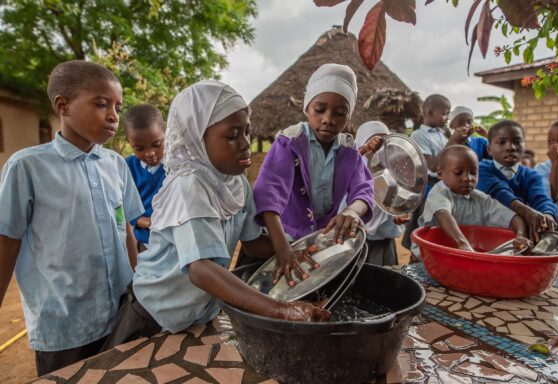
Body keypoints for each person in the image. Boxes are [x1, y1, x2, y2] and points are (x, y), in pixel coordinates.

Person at [100, 80, 330, 351]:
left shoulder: (235, 184)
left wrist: (294, 249)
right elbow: (201, 270)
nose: (245, 144)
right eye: (232, 135)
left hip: (198, 312)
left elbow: (253, 243)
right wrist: (281, 310)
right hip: (155, 314)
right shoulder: (189, 185)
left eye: (247, 131)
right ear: (197, 137)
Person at [0, 60, 144, 376]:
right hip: (63, 322)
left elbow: (127, 229)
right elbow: (7, 242)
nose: (113, 116)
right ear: (62, 106)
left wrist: (138, 285)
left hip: (120, 311)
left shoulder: (116, 165)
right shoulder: (27, 167)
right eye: (101, 104)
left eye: (118, 108)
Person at [253, 63, 374, 286]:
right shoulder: (289, 143)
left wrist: (352, 211)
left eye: (340, 113)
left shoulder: (350, 151)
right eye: (320, 110)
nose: (329, 119)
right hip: (280, 240)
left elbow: (364, 190)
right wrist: (283, 250)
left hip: (318, 243)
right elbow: (267, 197)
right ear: (307, 108)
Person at [410, 145, 530, 258]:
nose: (467, 178)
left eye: (473, 172)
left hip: (461, 256)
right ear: (440, 174)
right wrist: (462, 244)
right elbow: (443, 215)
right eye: (458, 172)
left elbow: (512, 217)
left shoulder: (481, 199)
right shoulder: (439, 192)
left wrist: (520, 235)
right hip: (429, 256)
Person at [478, 120, 557, 242]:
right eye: (501, 142)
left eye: (517, 141)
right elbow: (498, 190)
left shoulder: (532, 176)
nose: (510, 147)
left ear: (525, 146)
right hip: (485, 236)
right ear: (489, 149)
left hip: (519, 239)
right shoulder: (481, 169)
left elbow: (541, 199)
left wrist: (547, 215)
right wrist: (525, 211)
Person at [401, 94, 453, 259]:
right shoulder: (418, 135)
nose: (447, 118)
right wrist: (455, 140)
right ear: (429, 112)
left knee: (439, 227)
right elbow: (431, 165)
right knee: (424, 225)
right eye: (445, 113)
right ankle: (415, 262)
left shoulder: (443, 135)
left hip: (445, 186)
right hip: (428, 187)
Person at [354, 121, 410, 265]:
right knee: (357, 272)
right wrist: (365, 148)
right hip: (355, 237)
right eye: (372, 140)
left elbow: (394, 201)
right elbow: (348, 161)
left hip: (382, 238)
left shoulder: (392, 170)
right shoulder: (353, 167)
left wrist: (397, 215)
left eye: (382, 141)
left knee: (383, 274)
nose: (377, 146)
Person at [124, 104, 166, 251]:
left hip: (174, 242)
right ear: (129, 142)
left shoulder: (177, 166)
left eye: (156, 144)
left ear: (165, 133)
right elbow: (123, 206)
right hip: (144, 244)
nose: (150, 153)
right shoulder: (127, 167)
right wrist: (142, 221)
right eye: (140, 148)